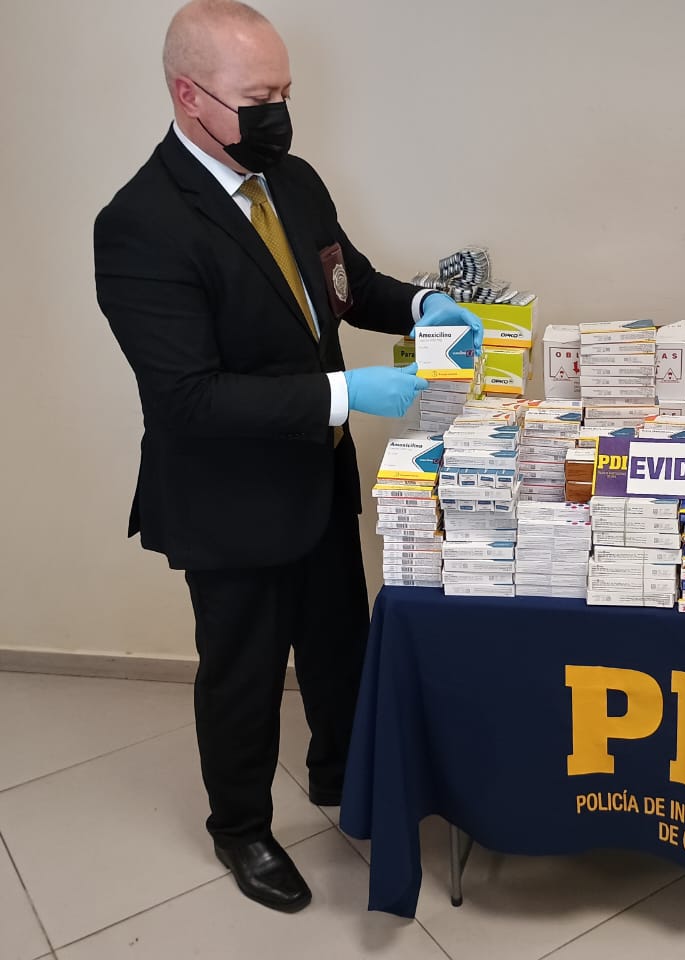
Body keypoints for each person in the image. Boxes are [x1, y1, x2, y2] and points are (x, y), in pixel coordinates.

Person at [93, 0, 481, 913]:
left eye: (285, 92)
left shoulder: (291, 180)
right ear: (189, 96)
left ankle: (344, 776)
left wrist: (422, 305)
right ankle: (241, 828)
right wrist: (347, 394)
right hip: (228, 499)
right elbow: (188, 396)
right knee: (246, 674)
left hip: (317, 476)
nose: (278, 113)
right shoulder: (142, 223)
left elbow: (346, 283)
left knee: (342, 646)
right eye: (257, 98)